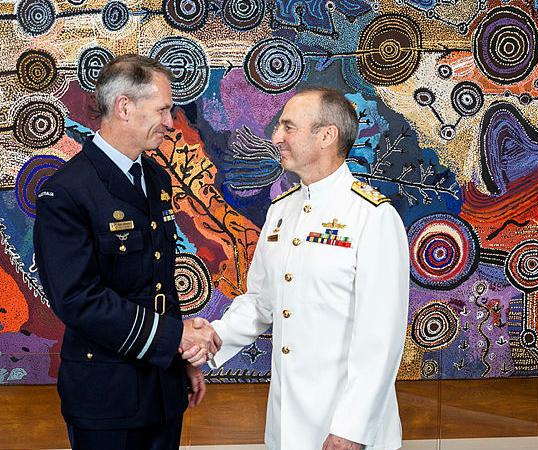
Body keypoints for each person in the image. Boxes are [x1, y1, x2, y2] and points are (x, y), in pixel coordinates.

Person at [186, 87, 410, 450]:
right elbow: (260, 302)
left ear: (326, 135)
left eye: (288, 127)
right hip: (286, 421)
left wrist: (351, 429)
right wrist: (209, 343)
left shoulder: (372, 217)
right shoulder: (282, 211)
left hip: (346, 425)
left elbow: (380, 339)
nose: (276, 137)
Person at [33, 54, 221, 450]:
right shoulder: (67, 191)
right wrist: (174, 337)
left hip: (161, 390)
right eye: (164, 110)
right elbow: (78, 300)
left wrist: (178, 357)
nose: (171, 123)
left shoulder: (153, 177)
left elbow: (158, 281)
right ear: (124, 107)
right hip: (107, 398)